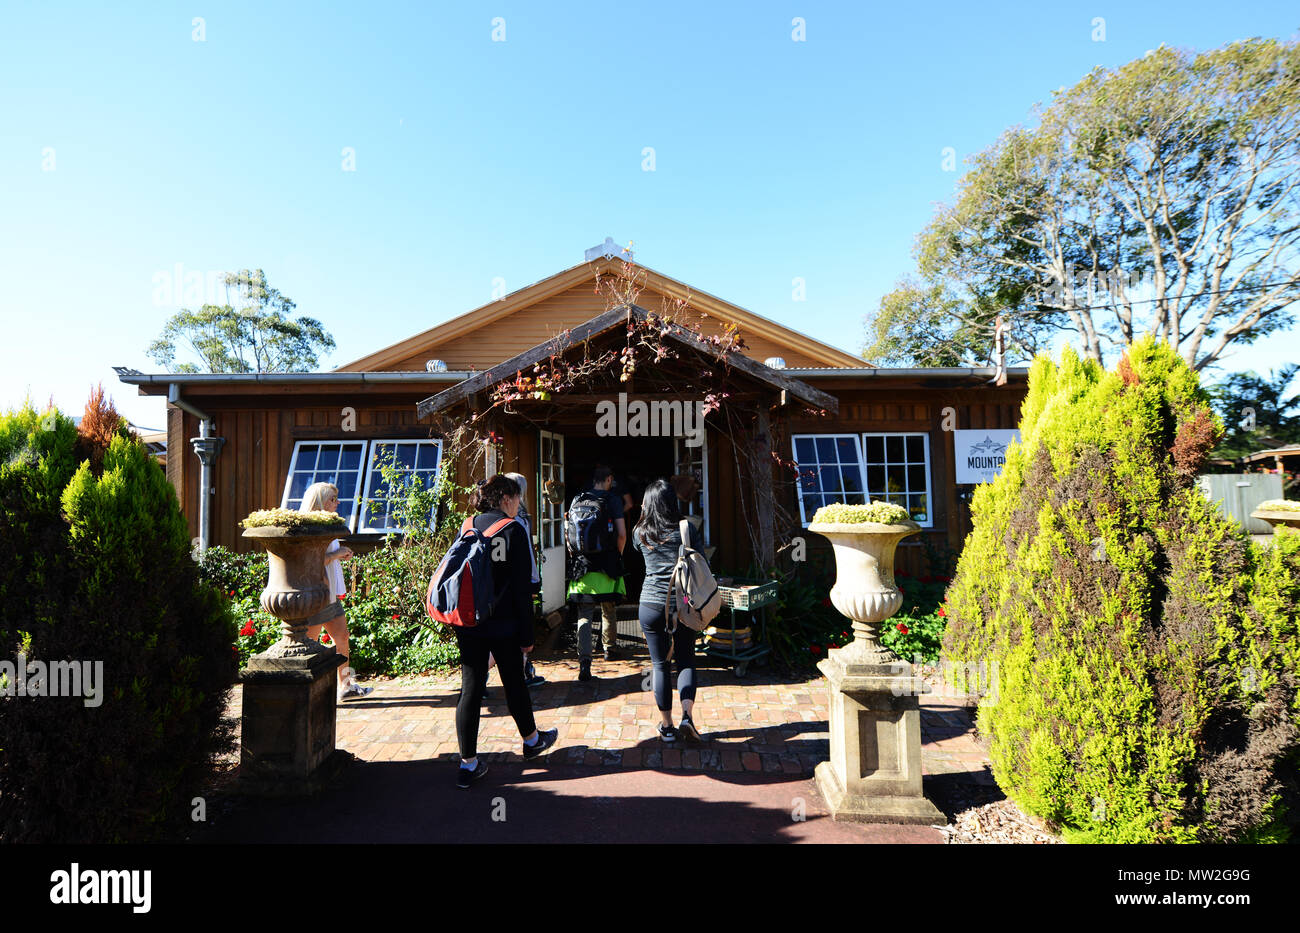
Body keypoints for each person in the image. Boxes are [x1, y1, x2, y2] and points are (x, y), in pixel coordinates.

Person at [453, 474, 558, 789]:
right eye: (516, 498)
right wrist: (528, 637)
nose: (518, 504)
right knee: (514, 683)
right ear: (504, 499)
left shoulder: (468, 525)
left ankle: (468, 763)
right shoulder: (513, 529)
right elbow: (522, 592)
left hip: (470, 621)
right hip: (504, 624)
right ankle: (531, 741)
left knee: (470, 688)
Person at [633, 478, 704, 743]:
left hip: (650, 604)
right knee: (686, 659)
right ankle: (687, 716)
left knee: (659, 665)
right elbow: (701, 563)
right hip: (684, 604)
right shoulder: (687, 528)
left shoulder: (640, 532)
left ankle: (667, 726)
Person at [299, 482, 373, 702]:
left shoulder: (328, 525)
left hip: (329, 593)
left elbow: (328, 556)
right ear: (320, 502)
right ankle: (303, 688)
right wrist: (336, 554)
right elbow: (308, 561)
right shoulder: (308, 527)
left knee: (342, 637)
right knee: (308, 644)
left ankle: (346, 686)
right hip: (316, 594)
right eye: (332, 499)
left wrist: (340, 554)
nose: (337, 503)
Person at [565, 465, 627, 680]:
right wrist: (618, 556)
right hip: (607, 563)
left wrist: (574, 556)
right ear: (609, 479)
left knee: (584, 613)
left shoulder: (577, 500)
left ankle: (584, 662)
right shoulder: (612, 500)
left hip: (582, 565)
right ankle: (609, 649)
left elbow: (568, 535)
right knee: (608, 608)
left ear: (594, 480)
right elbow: (621, 535)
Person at [503, 472, 545, 689]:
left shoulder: (506, 516)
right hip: (521, 581)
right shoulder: (520, 517)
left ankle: (523, 671)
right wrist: (534, 579)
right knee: (522, 628)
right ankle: (523, 674)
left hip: (505, 583)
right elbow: (528, 553)